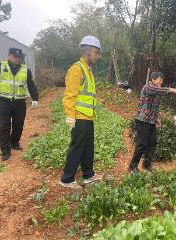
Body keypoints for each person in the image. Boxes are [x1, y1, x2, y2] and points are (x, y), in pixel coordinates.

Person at [59, 36, 102, 189]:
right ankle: (67, 178)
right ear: (88, 51)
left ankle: (88, 174)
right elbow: (70, 95)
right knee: (77, 147)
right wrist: (70, 116)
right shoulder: (77, 69)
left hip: (88, 116)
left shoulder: (88, 70)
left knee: (88, 147)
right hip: (78, 116)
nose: (98, 56)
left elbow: (87, 94)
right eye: (96, 52)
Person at [0, 48, 39, 161]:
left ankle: (14, 142)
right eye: (15, 57)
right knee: (4, 126)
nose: (18, 59)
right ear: (9, 56)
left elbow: (31, 84)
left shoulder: (26, 70)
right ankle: (5, 150)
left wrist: (35, 97)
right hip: (3, 101)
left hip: (19, 102)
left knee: (18, 125)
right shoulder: (0, 66)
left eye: (20, 57)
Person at [129, 72, 176, 175]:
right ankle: (133, 166)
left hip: (151, 121)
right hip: (142, 120)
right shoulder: (148, 87)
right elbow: (158, 90)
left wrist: (156, 118)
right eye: (159, 80)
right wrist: (173, 89)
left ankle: (147, 165)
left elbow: (154, 106)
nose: (161, 82)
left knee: (152, 142)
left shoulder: (157, 91)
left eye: (162, 80)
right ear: (153, 79)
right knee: (142, 143)